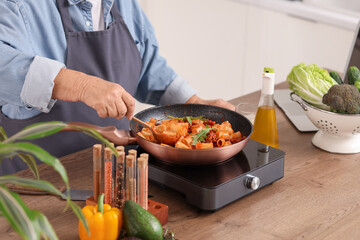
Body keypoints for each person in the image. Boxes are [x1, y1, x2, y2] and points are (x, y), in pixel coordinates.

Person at [0, 0, 234, 175]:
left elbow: (147, 64)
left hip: (119, 176)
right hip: (37, 187)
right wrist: (83, 86)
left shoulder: (123, 3)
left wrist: (193, 104)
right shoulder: (17, 5)